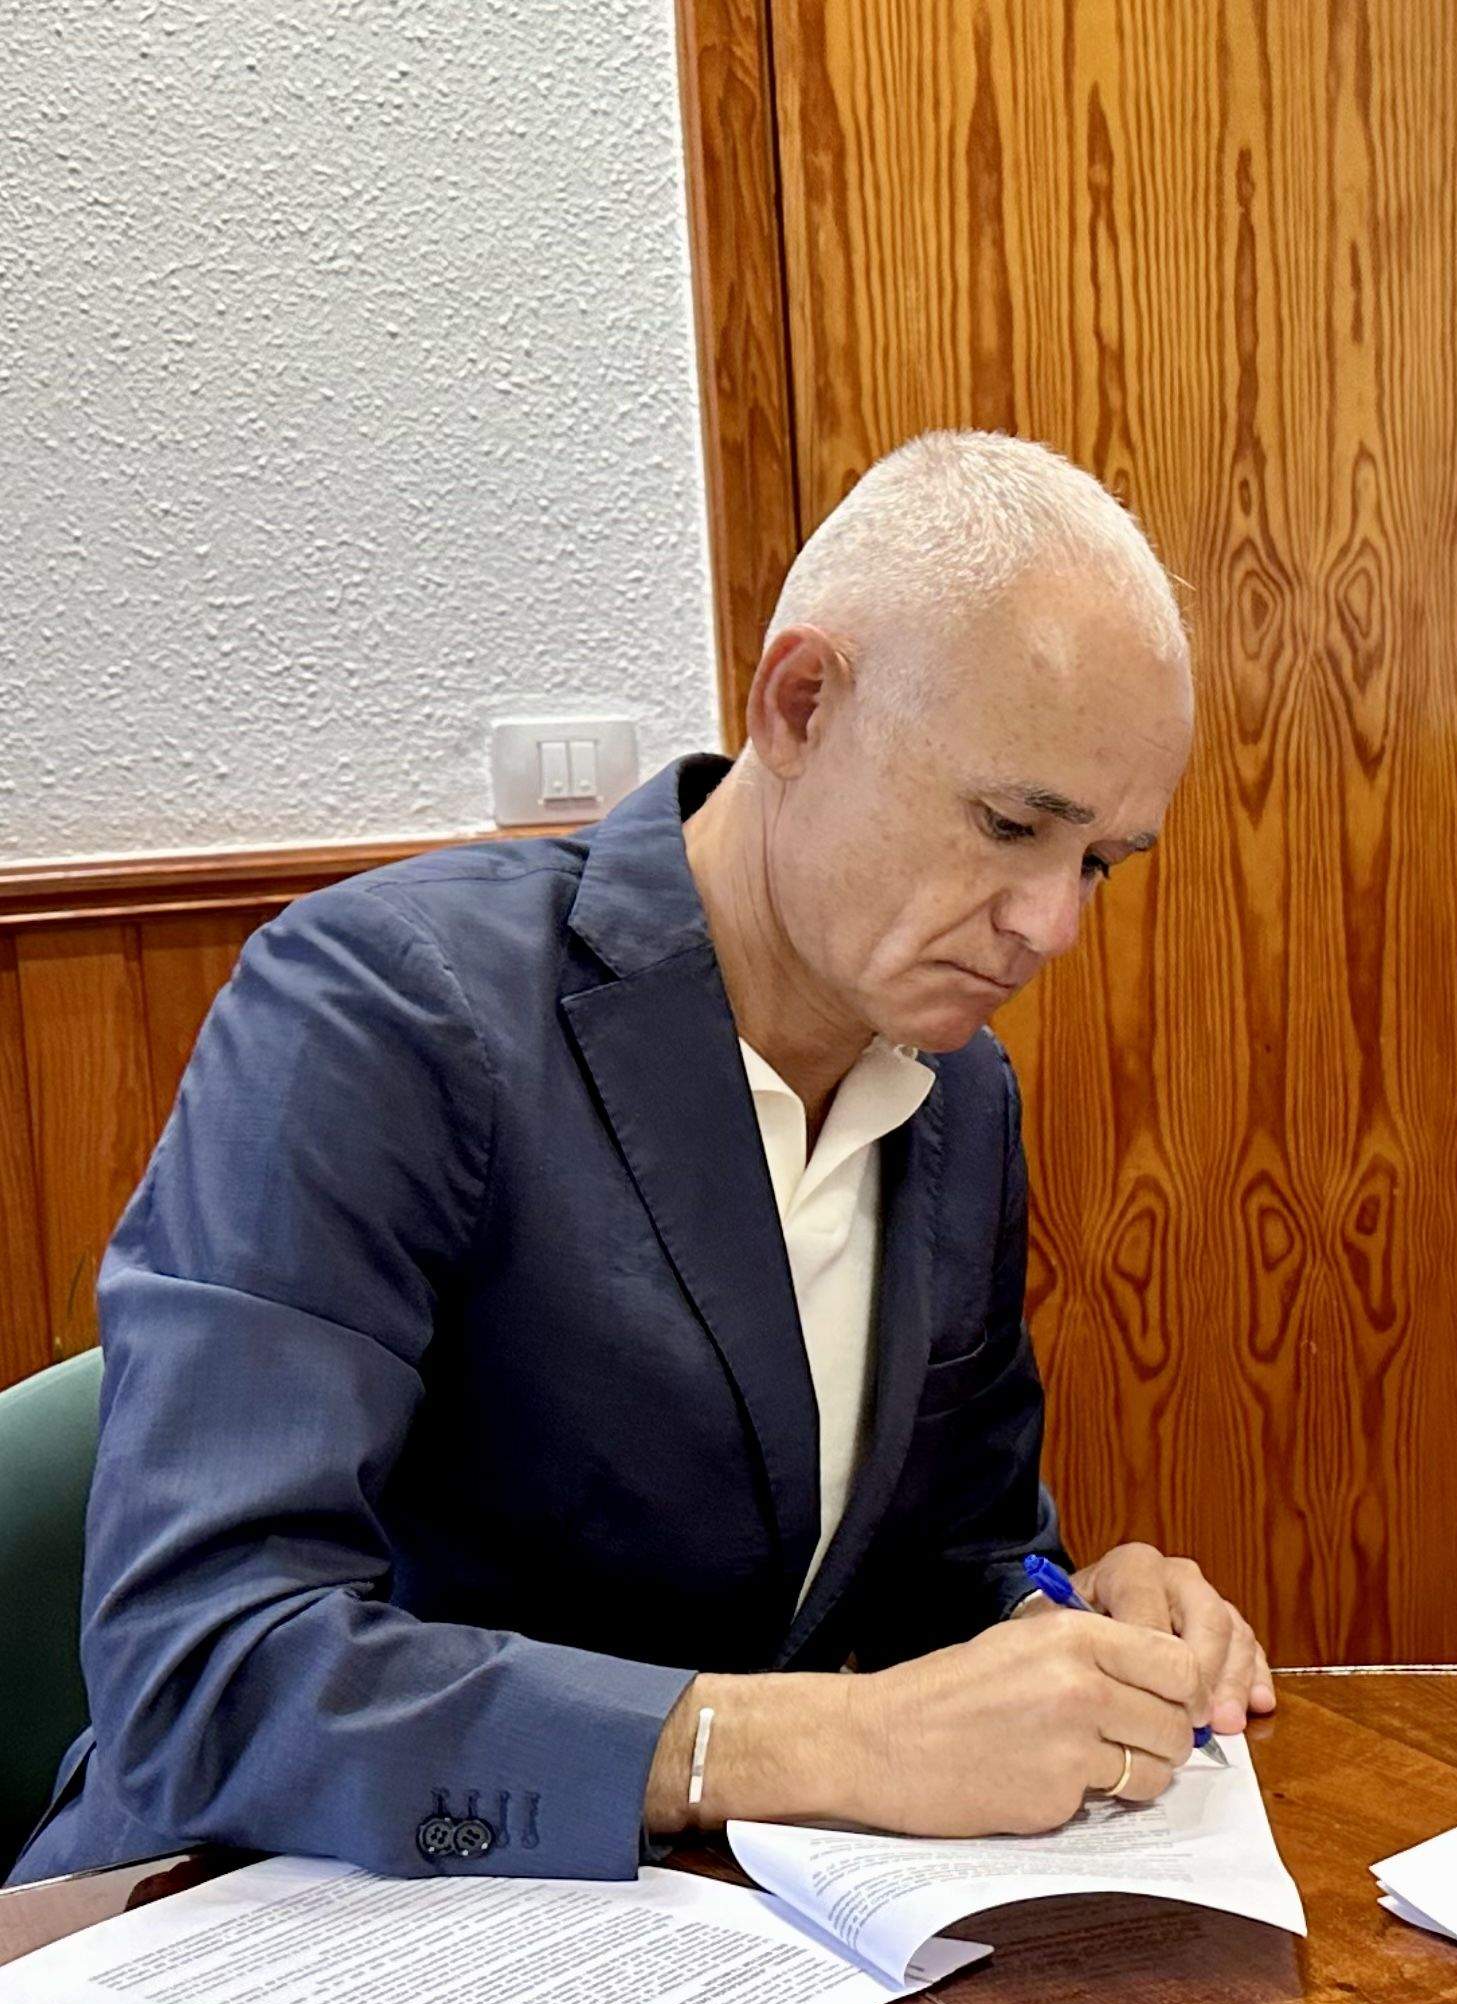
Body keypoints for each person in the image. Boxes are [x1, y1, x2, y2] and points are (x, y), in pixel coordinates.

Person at [16, 430, 1272, 1886]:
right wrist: (820, 1744)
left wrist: (1075, 1626)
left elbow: (955, 1566)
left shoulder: (957, 1095)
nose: (1052, 925)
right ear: (800, 703)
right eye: (1009, 825)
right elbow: (204, 1672)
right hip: (227, 1941)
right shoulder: (382, 1007)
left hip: (659, 1959)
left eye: (1100, 862)